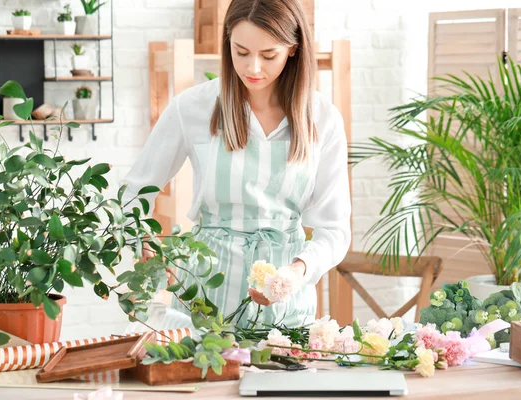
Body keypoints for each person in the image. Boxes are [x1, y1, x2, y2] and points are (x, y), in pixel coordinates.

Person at [121, 0, 351, 328]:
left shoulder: (322, 118)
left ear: (294, 49)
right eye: (240, 52)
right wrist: (141, 238)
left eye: (268, 55)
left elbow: (335, 229)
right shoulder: (193, 107)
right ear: (227, 41)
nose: (253, 68)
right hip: (203, 298)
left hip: (287, 308)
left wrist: (296, 271)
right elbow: (133, 193)